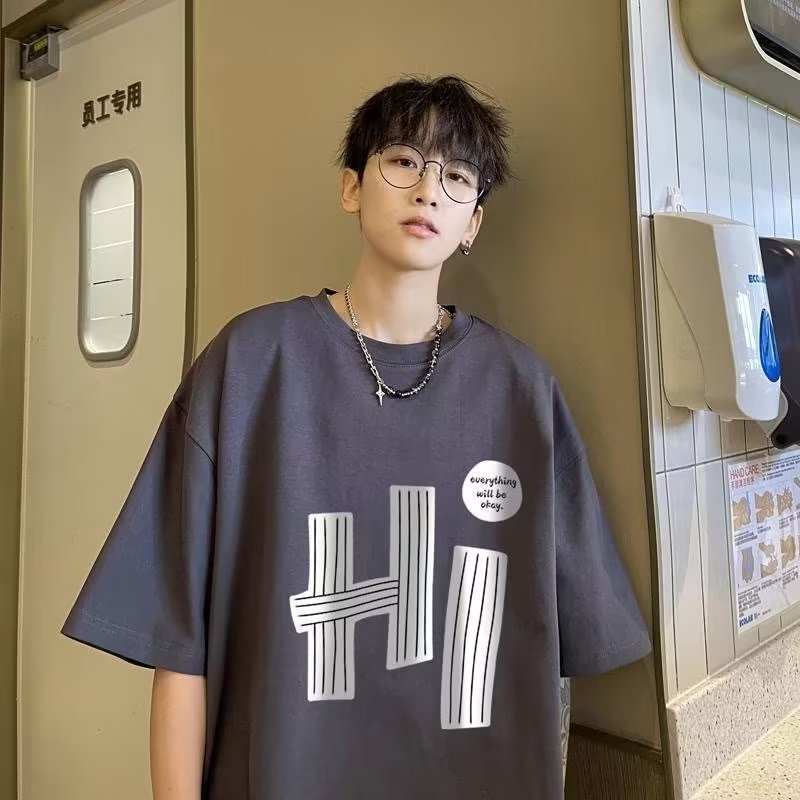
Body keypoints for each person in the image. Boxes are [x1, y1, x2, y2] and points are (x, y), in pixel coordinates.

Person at [62, 74, 651, 800]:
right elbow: (177, 640)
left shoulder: (523, 390)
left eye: (457, 177)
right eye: (403, 161)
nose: (428, 190)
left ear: (474, 223)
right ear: (351, 187)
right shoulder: (250, 364)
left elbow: (559, 661)